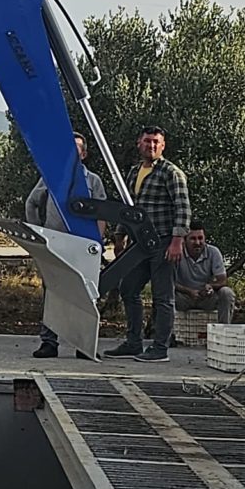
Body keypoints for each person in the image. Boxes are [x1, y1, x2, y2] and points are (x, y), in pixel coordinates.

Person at [104, 126, 191, 362]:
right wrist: (120, 235)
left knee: (163, 297)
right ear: (139, 143)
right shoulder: (134, 172)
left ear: (163, 146)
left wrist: (177, 240)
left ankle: (160, 348)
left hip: (163, 241)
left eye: (155, 142)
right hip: (139, 243)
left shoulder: (171, 173)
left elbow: (183, 208)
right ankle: (133, 342)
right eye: (147, 141)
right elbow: (128, 208)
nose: (151, 146)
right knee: (128, 288)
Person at [25, 133, 108, 359]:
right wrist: (38, 234)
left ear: (84, 153)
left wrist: (98, 242)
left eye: (77, 147)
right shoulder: (50, 178)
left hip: (83, 246)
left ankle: (84, 345)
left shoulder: (93, 181)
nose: (72, 151)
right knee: (52, 292)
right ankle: (49, 342)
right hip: (55, 244)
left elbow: (102, 212)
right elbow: (32, 203)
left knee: (86, 295)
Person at [172, 223, 234, 331]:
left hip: (206, 297)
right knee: (164, 293)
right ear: (185, 240)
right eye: (193, 239)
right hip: (183, 297)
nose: (197, 242)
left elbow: (222, 280)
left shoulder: (213, 252)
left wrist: (211, 286)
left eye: (200, 238)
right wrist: (189, 291)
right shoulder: (177, 252)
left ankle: (223, 331)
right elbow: (168, 281)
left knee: (227, 293)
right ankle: (167, 333)